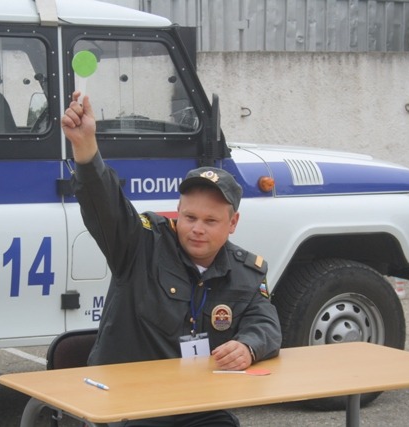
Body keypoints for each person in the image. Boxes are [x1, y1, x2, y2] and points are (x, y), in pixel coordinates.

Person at [61, 91, 282, 427]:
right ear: (177, 212)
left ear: (232, 224)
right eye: (189, 218)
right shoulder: (139, 246)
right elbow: (103, 204)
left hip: (198, 405)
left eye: (210, 222)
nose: (197, 230)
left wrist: (248, 346)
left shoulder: (245, 273)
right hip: (128, 403)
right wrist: (85, 146)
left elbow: (265, 324)